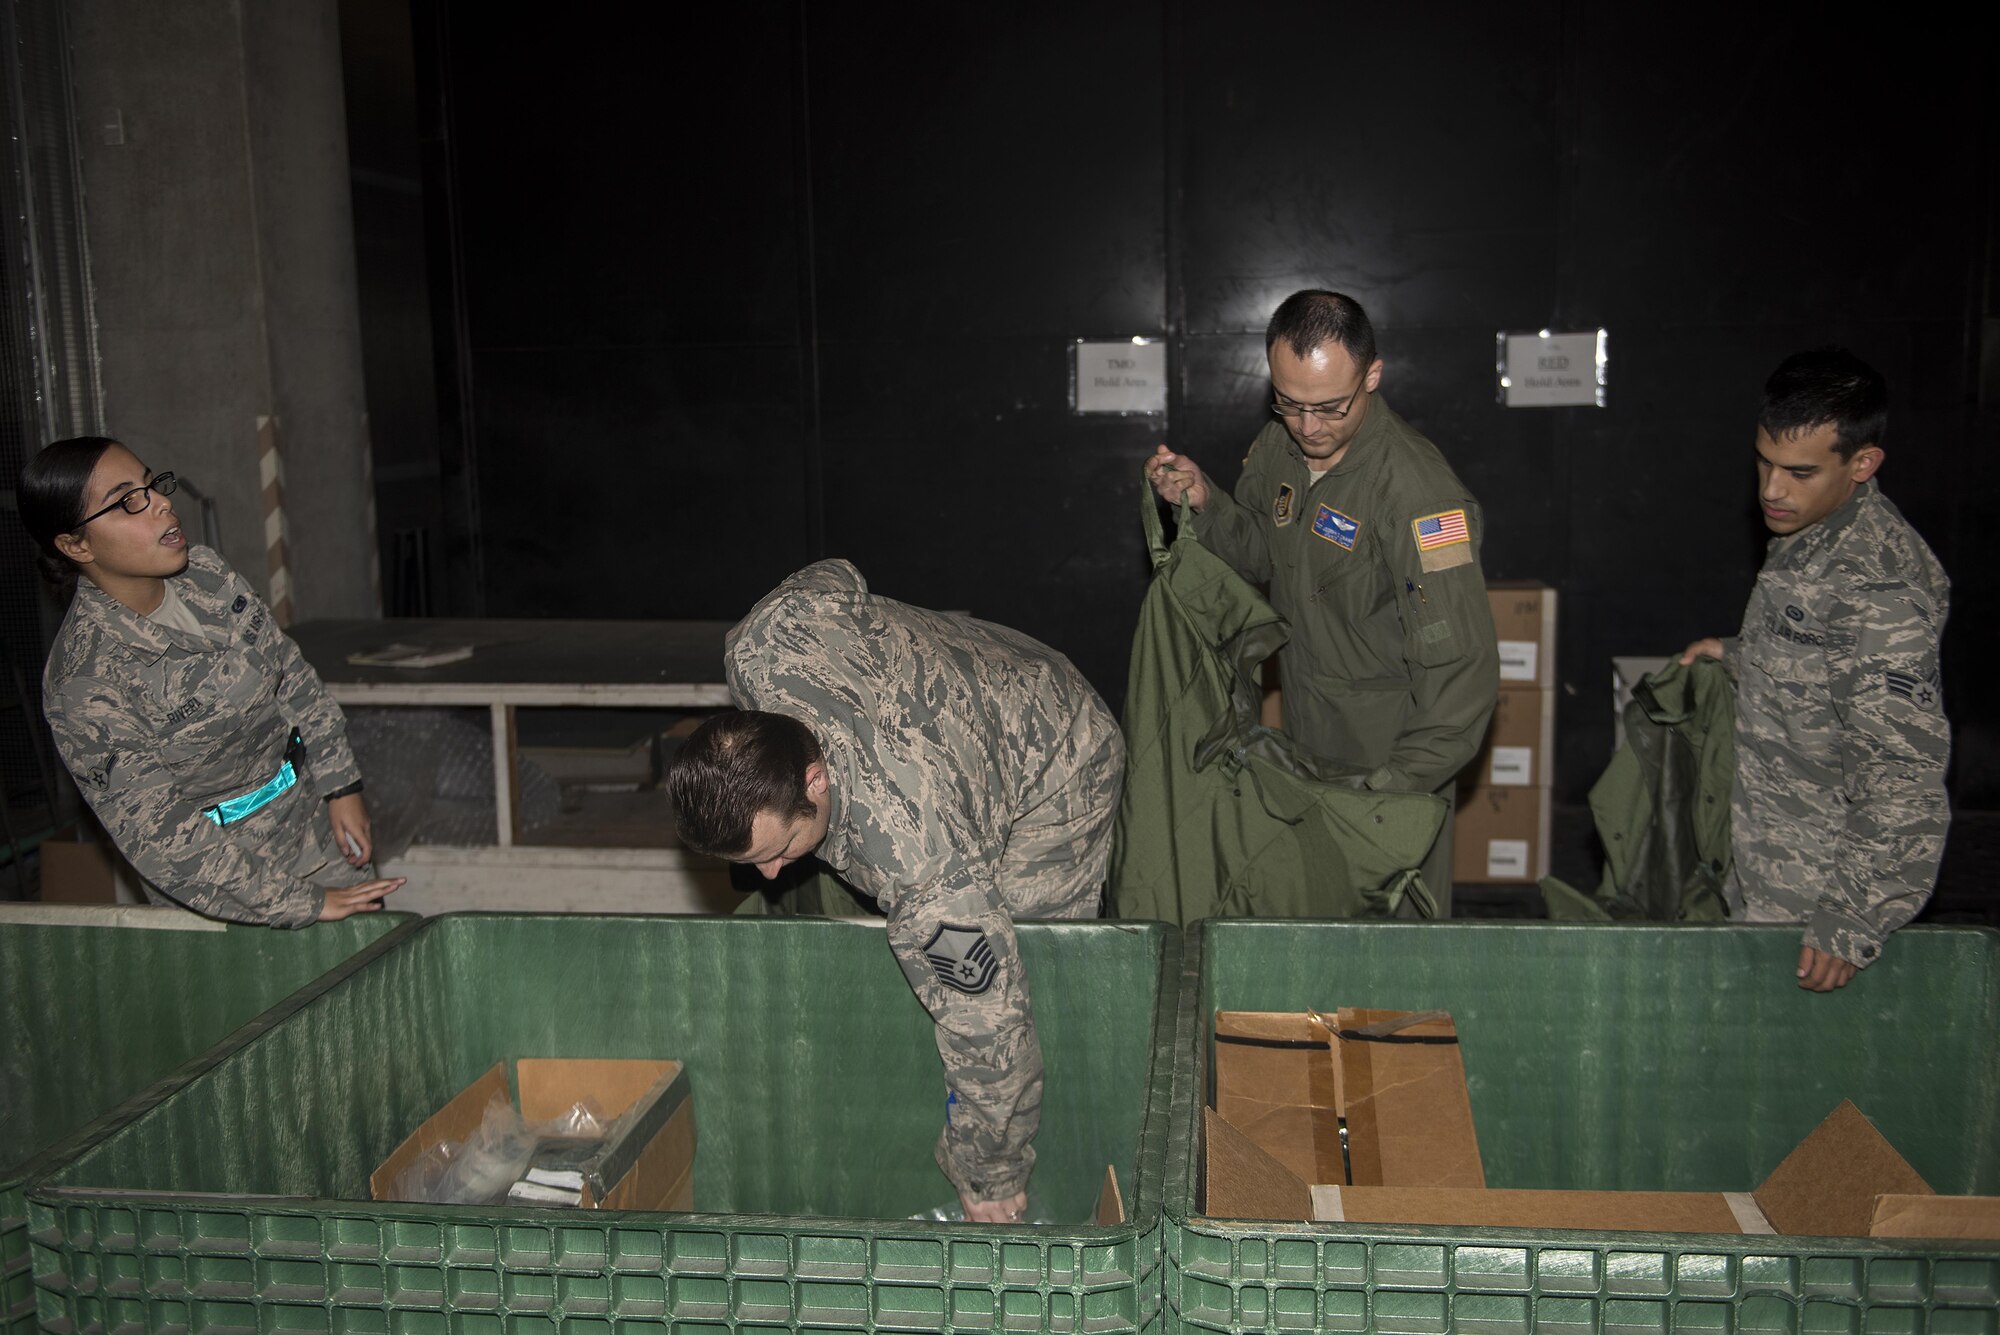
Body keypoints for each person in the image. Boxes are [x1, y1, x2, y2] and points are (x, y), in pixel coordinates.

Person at [666, 559, 1123, 1223]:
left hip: (1056, 751)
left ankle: (1058, 1151)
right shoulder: (763, 639)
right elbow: (837, 575)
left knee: (1024, 974)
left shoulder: (919, 863)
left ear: (814, 781)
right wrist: (882, 654)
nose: (770, 876)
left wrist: (988, 1174)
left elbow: (989, 1024)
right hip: (978, 694)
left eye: (779, 850)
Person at [1144, 289, 1498, 904]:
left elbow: (1463, 675)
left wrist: (1385, 792)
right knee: (1316, 942)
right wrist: (1207, 501)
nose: (1309, 428)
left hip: (1388, 769)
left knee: (1392, 971)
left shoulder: (1418, 495)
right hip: (1308, 746)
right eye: (1289, 404)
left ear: (1373, 377)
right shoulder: (1282, 445)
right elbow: (1265, 551)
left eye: (1331, 408)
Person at [22, 436, 403, 925]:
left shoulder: (205, 575)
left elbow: (288, 672)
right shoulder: (85, 681)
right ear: (75, 544)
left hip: (314, 825)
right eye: (126, 502)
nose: (160, 503)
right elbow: (162, 837)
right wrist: (302, 903)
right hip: (225, 886)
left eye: (150, 486)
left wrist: (340, 783)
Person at [1678, 348, 1949, 991]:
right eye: (1764, 463)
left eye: (1798, 472)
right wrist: (1737, 655)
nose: (1772, 489)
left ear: (1862, 463)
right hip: (1762, 861)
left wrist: (1850, 918)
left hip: (1812, 896)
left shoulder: (1877, 586)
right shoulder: (1815, 534)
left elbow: (1901, 769)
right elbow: (1821, 662)